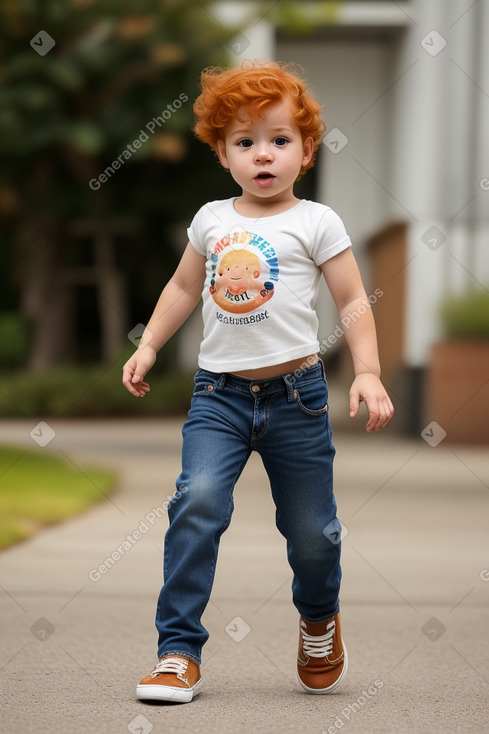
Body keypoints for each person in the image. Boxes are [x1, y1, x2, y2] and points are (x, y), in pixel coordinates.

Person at [122, 60, 394, 703]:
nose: (263, 155)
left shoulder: (317, 222)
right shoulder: (211, 219)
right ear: (222, 153)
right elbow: (185, 285)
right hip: (218, 397)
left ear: (305, 150)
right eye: (245, 143)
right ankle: (176, 651)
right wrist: (151, 344)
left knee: (312, 533)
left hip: (296, 399)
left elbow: (353, 297)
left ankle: (319, 618)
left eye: (279, 140)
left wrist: (370, 372)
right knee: (198, 504)